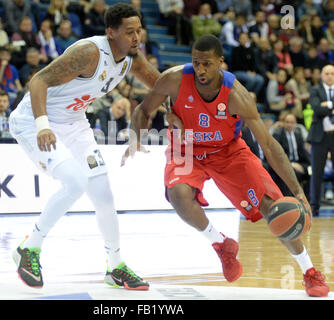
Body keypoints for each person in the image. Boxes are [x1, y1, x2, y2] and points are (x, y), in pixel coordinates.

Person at [122, 35, 330, 297]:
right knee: (178, 194)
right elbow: (144, 109)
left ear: (221, 62)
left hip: (228, 152)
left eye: (207, 64)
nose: (200, 70)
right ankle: (220, 244)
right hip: (186, 149)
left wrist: (297, 192)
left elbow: (269, 145)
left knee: (273, 208)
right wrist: (134, 137)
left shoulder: (238, 95)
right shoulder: (173, 79)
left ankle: (309, 271)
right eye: (196, 63)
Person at [9, 3, 161, 290]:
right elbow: (38, 80)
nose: (136, 37)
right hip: (36, 121)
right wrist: (43, 125)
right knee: (75, 182)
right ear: (110, 32)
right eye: (129, 32)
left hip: (74, 124)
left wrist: (176, 109)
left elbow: (161, 83)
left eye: (139, 31)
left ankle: (115, 266)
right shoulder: (89, 53)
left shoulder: (131, 57)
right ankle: (29, 248)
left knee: (103, 192)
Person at [307, 64, 334, 217]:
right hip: (319, 137)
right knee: (317, 173)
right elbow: (316, 108)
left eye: (332, 73)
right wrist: (331, 107)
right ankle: (314, 207)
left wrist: (327, 105)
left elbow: (322, 108)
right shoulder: (315, 90)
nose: (329, 76)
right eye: (326, 73)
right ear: (322, 75)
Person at [272, 113, 310, 197]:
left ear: (295, 123)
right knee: (293, 172)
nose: (289, 124)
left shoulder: (298, 135)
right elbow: (278, 156)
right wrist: (292, 164)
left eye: (292, 122)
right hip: (286, 164)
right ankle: (292, 200)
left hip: (299, 163)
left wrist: (307, 165)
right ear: (283, 123)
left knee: (312, 171)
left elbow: (303, 153)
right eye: (287, 122)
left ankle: (308, 201)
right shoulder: (278, 135)